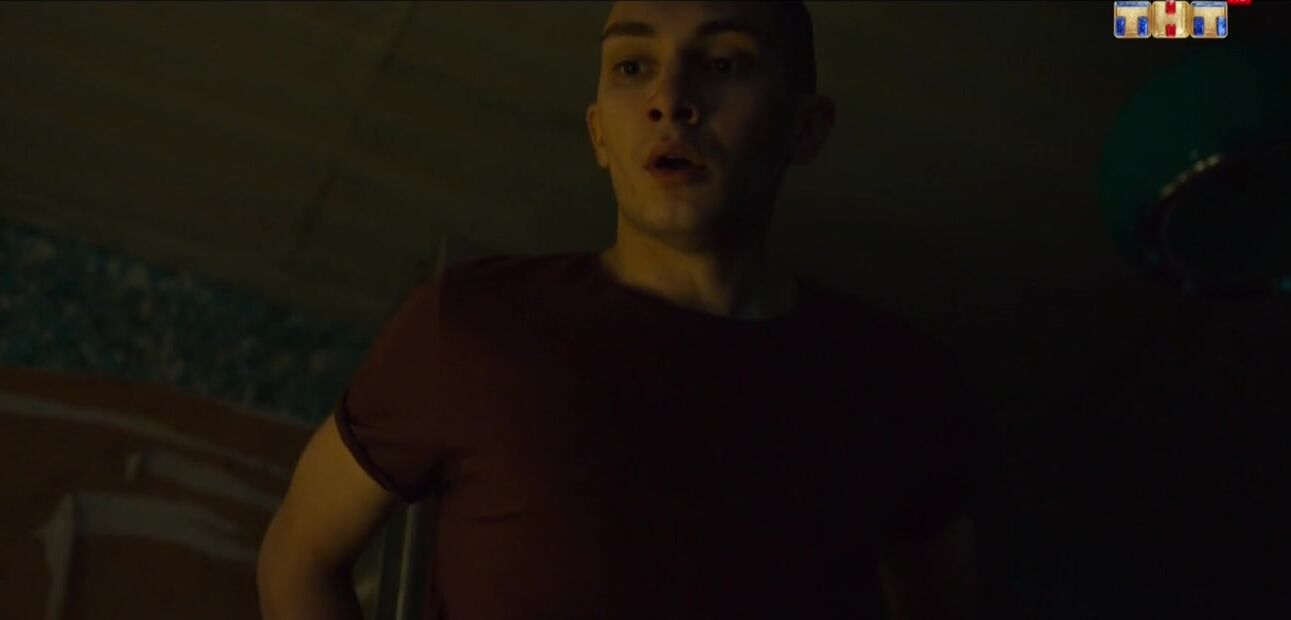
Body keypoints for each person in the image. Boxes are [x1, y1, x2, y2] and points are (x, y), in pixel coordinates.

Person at [258, 2, 998, 619]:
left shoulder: (899, 383)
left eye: (724, 63)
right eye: (633, 66)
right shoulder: (473, 324)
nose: (669, 99)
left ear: (805, 128)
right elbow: (299, 559)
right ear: (598, 134)